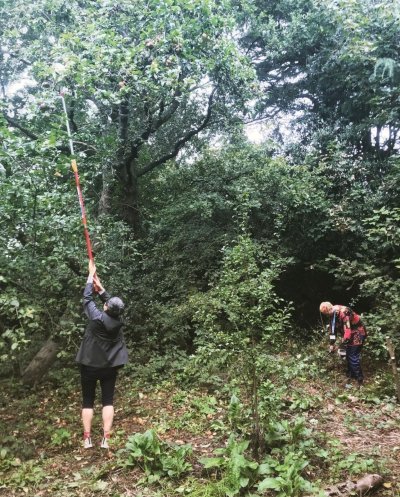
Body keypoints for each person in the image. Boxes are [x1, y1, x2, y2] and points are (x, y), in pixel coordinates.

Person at [76, 261, 128, 449]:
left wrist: (90, 276)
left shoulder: (97, 318)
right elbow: (111, 304)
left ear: (106, 308)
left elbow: (87, 299)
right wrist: (100, 288)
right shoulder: (119, 320)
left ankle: (87, 438)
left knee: (87, 401)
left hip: (89, 365)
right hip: (109, 367)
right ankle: (106, 439)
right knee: (108, 400)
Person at [319, 301, 367, 386]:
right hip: (349, 333)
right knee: (348, 355)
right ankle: (351, 376)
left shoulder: (344, 312)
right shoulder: (332, 315)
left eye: (327, 313)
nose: (327, 315)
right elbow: (333, 331)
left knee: (352, 355)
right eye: (325, 314)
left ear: (330, 309)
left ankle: (360, 380)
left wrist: (342, 344)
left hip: (357, 332)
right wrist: (331, 344)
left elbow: (347, 330)